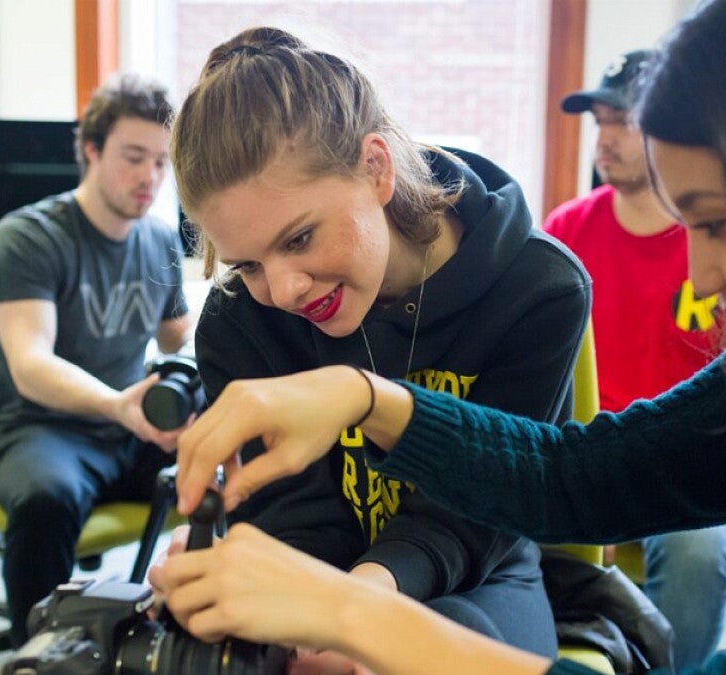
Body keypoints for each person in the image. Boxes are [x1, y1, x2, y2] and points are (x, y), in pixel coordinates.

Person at [156, 0, 726, 672]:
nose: (701, 278)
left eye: (719, 224)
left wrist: (352, 613)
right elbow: (572, 476)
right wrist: (365, 395)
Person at [165, 27, 591, 672]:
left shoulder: (539, 289)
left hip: (480, 568)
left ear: (376, 167)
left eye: (301, 238)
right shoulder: (238, 320)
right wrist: (305, 625)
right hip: (315, 571)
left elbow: (483, 511)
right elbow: (292, 513)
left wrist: (362, 605)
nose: (282, 289)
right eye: (248, 263)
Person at [0, 73, 195, 646]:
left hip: (126, 427)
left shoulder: (159, 241)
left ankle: (184, 630)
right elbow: (30, 365)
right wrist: (118, 405)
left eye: (160, 163)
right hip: (40, 428)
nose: (149, 177)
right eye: (133, 157)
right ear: (92, 150)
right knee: (48, 497)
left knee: (224, 462)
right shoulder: (28, 237)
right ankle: (39, 648)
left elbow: (181, 339)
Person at [544, 48, 726, 671]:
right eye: (599, 124)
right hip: (590, 450)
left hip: (685, 463)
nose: (607, 140)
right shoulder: (565, 231)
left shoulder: (714, 239)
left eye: (622, 123)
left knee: (699, 553)